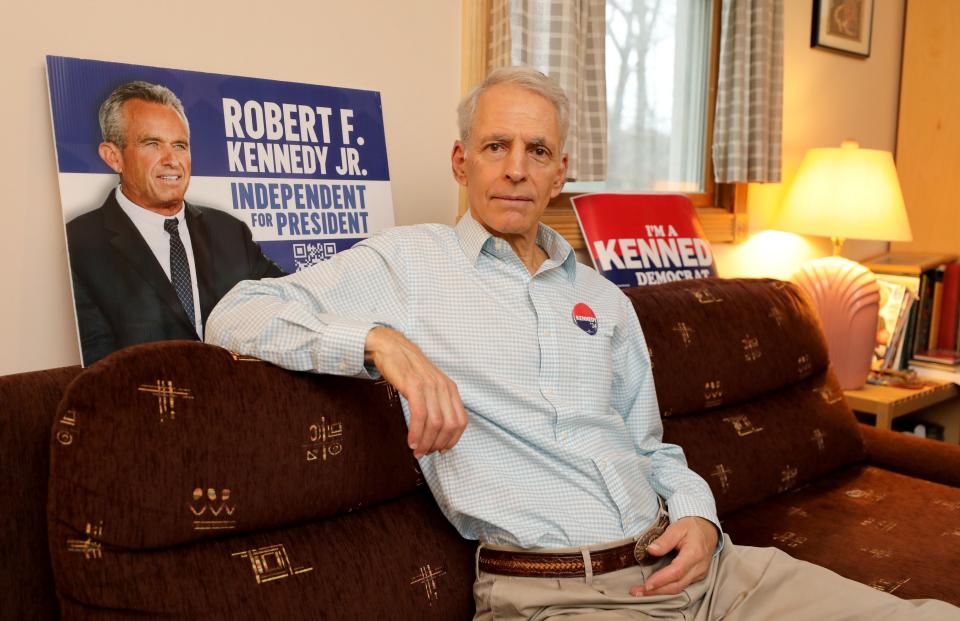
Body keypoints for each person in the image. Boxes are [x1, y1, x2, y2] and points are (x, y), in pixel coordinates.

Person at [204, 67, 958, 619]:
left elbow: (651, 444)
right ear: (462, 161)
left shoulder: (602, 298)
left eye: (537, 150)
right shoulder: (408, 265)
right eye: (496, 146)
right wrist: (378, 342)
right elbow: (235, 312)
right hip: (557, 598)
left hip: (708, 572)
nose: (515, 168)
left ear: (561, 172)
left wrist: (698, 514)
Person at [66, 81, 284, 366]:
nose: (172, 160)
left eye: (180, 146)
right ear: (113, 157)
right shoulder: (78, 244)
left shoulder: (230, 231)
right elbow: (101, 371)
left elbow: (285, 303)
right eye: (152, 144)